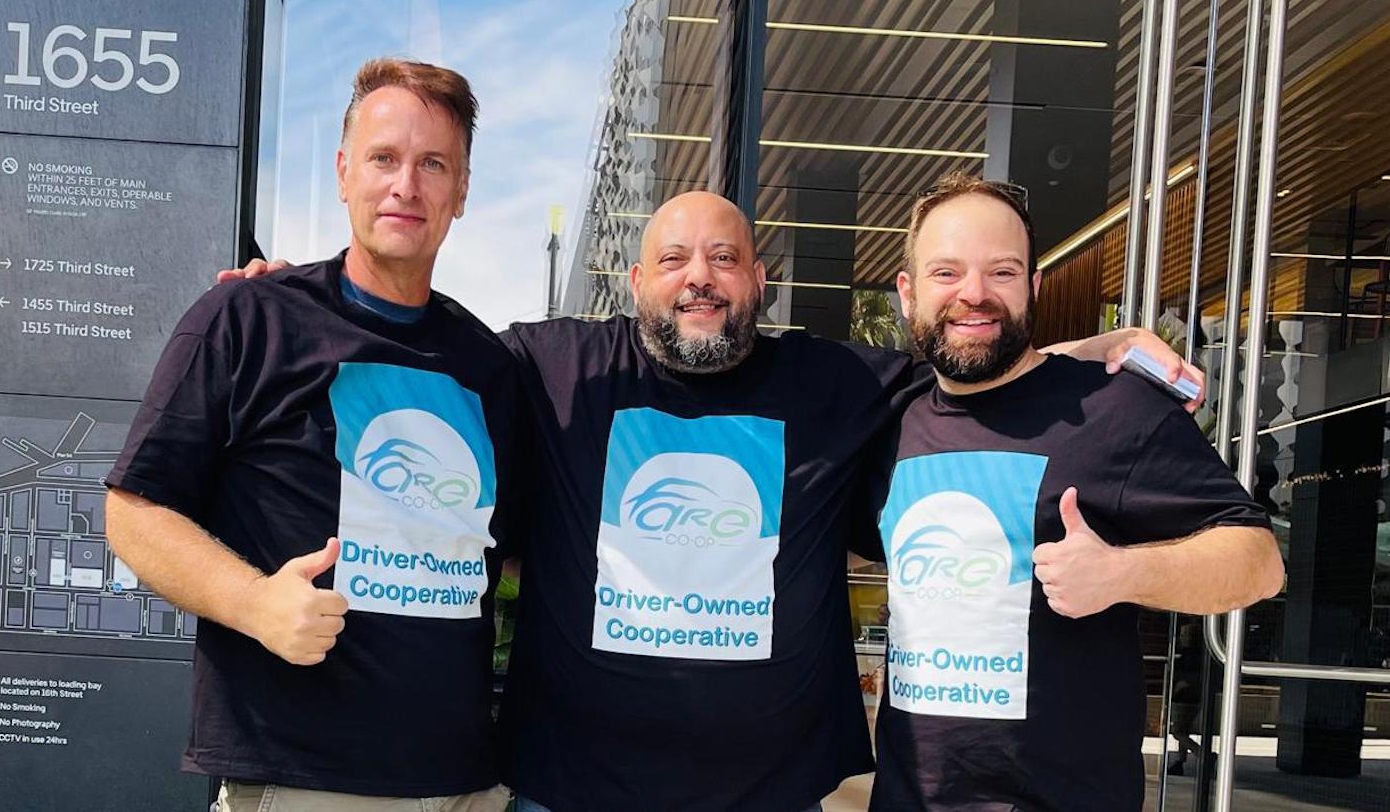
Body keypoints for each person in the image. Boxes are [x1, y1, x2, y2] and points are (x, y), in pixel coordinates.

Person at [228, 190, 1199, 812]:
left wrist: (1089, 351)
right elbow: (403, 342)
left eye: (725, 257)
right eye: (678, 258)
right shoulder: (551, 362)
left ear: (758, 278)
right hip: (570, 789)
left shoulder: (832, 381)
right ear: (637, 278)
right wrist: (290, 299)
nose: (702, 276)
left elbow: (972, 354)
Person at [104, 58, 519, 812]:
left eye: (434, 164)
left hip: (465, 782)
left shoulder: (490, 366)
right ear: (343, 172)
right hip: (307, 779)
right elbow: (132, 511)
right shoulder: (248, 319)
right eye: (384, 158)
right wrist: (256, 601)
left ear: (461, 190)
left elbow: (507, 544)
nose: (406, 185)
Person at [859, 174, 1283, 811]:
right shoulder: (891, 417)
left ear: (1032, 287)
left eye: (1001, 273)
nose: (973, 294)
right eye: (947, 273)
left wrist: (1121, 572)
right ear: (908, 290)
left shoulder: (1114, 409)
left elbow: (1259, 561)